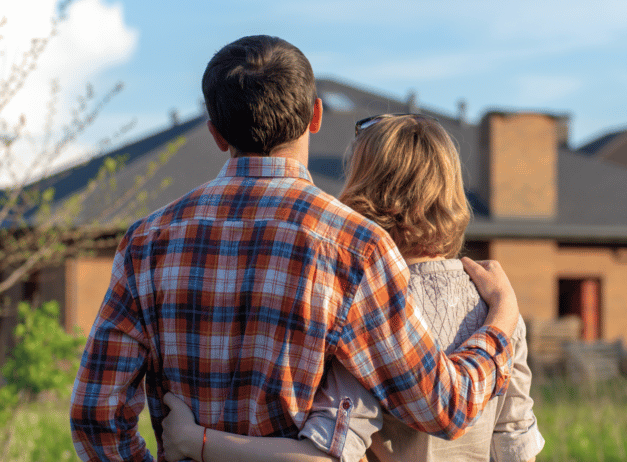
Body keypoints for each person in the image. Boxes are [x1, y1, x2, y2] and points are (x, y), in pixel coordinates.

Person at [70, 35, 520, 462]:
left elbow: (95, 416)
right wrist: (501, 319)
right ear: (315, 116)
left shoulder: (146, 243)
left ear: (216, 134)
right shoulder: (357, 247)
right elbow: (443, 407)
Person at [160, 114, 545, 462]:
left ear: (366, 188)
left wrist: (196, 440)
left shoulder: (367, 301)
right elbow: (516, 446)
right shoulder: (498, 303)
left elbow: (326, 454)